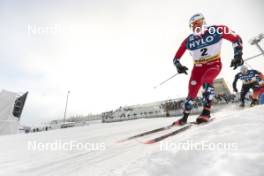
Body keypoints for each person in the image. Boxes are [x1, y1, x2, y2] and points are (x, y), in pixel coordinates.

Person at [172, 13, 244, 125]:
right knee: (191, 92)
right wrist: (178, 65)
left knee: (206, 80)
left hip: (213, 65)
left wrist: (238, 55)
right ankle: (184, 118)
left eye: (198, 23)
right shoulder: (189, 40)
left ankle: (206, 112)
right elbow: (176, 57)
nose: (196, 26)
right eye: (193, 25)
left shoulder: (217, 29)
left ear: (204, 22)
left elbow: (236, 39)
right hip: (197, 69)